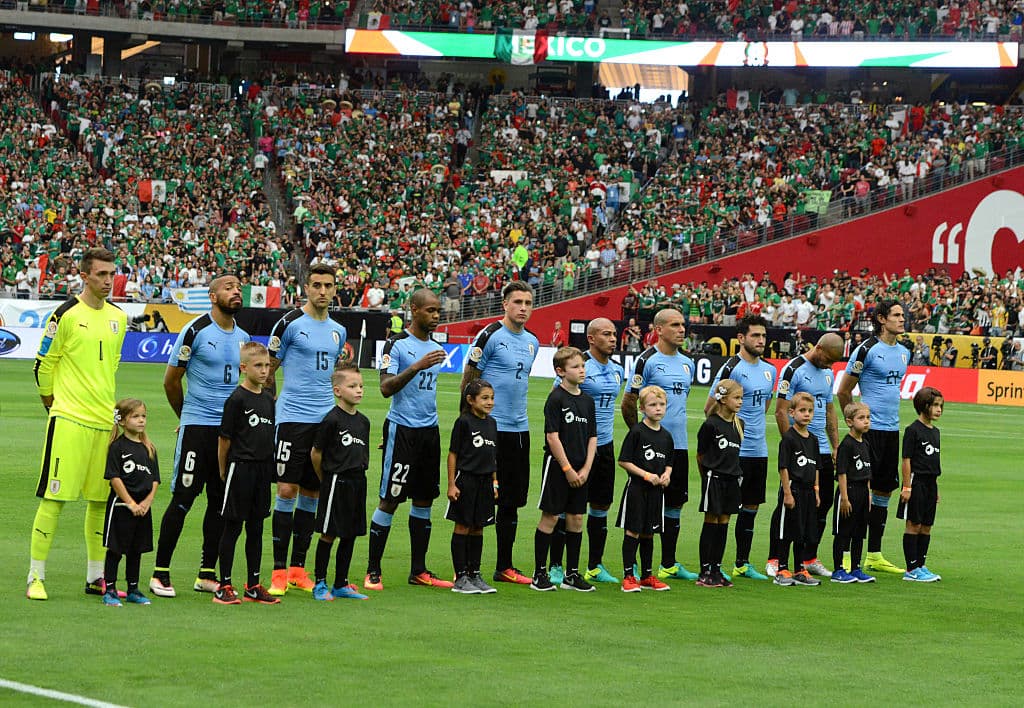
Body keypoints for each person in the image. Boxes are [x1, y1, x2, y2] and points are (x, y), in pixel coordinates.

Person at [27, 247, 127, 602]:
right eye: (101, 274)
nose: (108, 280)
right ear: (84, 276)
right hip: (69, 420)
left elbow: (111, 367)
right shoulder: (65, 314)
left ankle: (95, 577)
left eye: (112, 274)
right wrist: (53, 406)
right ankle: (35, 577)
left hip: (103, 423)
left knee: (99, 502)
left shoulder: (119, 318)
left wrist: (112, 418)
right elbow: (43, 365)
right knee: (54, 498)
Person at [150, 275, 250, 598]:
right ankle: (160, 573)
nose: (235, 291)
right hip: (198, 429)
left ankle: (207, 573)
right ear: (213, 296)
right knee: (183, 499)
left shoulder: (244, 337)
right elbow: (171, 381)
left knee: (220, 503)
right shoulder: (195, 330)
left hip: (228, 434)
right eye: (228, 288)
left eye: (238, 288)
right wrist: (186, 417)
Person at [266, 263, 349, 596]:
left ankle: (298, 570)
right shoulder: (289, 324)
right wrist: (267, 411)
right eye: (316, 285)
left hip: (324, 421)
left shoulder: (339, 331)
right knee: (286, 489)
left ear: (335, 289)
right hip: (291, 419)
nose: (322, 291)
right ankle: (278, 571)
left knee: (312, 493)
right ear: (306, 288)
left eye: (328, 285)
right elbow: (267, 371)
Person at [365, 289, 452, 590]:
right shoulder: (397, 344)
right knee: (390, 499)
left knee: (424, 499)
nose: (436, 316)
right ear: (414, 310)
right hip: (402, 429)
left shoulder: (436, 347)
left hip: (429, 431)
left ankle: (419, 570)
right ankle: (373, 570)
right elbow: (385, 388)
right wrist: (416, 366)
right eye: (430, 310)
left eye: (438, 311)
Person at [461, 281, 539, 585]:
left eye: (528, 303)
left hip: (519, 430)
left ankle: (504, 566)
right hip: (489, 430)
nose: (523, 308)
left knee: (511, 501)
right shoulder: (490, 335)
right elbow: (470, 379)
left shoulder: (532, 341)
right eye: (517, 302)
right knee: (479, 499)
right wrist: (468, 423)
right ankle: (467, 568)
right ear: (505, 304)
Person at [621, 307, 698, 581]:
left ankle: (669, 563)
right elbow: (629, 402)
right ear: (659, 330)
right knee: (644, 506)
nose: (681, 329)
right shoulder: (646, 361)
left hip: (679, 446)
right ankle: (636, 567)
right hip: (651, 449)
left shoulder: (688, 363)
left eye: (682, 324)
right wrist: (641, 437)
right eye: (675, 325)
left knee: (675, 504)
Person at [547, 318, 624, 585]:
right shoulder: (580, 365)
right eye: (606, 334)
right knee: (565, 508)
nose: (612, 338)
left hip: (604, 445)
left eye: (614, 334)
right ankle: (556, 566)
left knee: (601, 504)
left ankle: (594, 566)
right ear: (591, 338)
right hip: (575, 447)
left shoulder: (617, 370)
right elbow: (557, 400)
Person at [836, 299, 908, 575]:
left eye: (902, 315)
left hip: (891, 431)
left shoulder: (904, 352)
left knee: (884, 491)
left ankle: (874, 554)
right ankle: (845, 555)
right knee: (857, 491)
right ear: (881, 319)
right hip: (869, 432)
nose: (902, 319)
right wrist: (855, 425)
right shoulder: (866, 350)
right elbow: (844, 391)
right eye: (896, 315)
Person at [706, 315, 776, 582]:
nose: (761, 340)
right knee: (723, 511)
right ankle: (713, 565)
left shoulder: (770, 370)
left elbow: (764, 407)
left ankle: (742, 563)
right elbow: (710, 409)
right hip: (734, 452)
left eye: (763, 336)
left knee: (751, 507)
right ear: (741, 338)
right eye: (755, 335)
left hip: (759, 449)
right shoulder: (731, 368)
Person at [768, 332, 844, 578]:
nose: (829, 365)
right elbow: (781, 411)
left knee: (821, 505)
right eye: (828, 359)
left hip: (820, 449)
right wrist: (791, 445)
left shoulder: (828, 373)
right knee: (788, 505)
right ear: (818, 348)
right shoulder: (793, 370)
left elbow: (830, 409)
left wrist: (835, 445)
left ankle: (809, 557)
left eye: (833, 362)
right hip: (799, 448)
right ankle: (776, 558)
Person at [213, 342, 279, 605]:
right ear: (243, 368)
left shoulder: (268, 399)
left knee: (256, 527)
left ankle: (253, 584)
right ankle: (224, 585)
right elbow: (224, 439)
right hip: (240, 468)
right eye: (258, 365)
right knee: (233, 526)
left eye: (267, 365)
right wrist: (223, 469)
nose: (264, 371)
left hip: (262, 470)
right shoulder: (236, 399)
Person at [531, 347, 597, 592]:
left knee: (576, 519)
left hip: (582, 468)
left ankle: (572, 574)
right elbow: (552, 436)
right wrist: (567, 468)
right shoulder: (556, 398)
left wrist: (586, 468)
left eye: (583, 366)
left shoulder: (587, 401)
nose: (581, 370)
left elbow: (592, 437)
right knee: (550, 517)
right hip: (559, 467)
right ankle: (540, 574)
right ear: (560, 371)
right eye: (575, 367)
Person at [309, 363, 371, 601]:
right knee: (329, 533)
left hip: (358, 482)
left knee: (350, 533)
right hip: (335, 481)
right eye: (352, 386)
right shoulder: (332, 420)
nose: (359, 390)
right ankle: (320, 583)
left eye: (361, 386)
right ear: (337, 391)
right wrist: (325, 478)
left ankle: (341, 583)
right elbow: (316, 453)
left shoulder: (364, 422)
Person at [101, 398, 160, 607]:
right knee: (116, 549)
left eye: (143, 416)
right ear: (122, 421)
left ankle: (133, 588)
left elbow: (155, 480)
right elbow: (114, 478)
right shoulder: (117, 447)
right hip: (121, 507)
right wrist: (131, 503)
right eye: (135, 416)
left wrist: (146, 502)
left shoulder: (149, 448)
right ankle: (110, 589)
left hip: (143, 509)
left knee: (136, 550)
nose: (141, 420)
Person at [617, 385, 673, 593]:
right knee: (633, 530)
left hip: (656, 492)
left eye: (661, 404)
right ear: (642, 408)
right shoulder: (637, 432)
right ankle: (628, 576)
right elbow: (624, 461)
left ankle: (647, 575)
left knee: (650, 532)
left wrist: (667, 475)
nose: (658, 408)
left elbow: (669, 462)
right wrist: (646, 475)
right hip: (637, 489)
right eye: (652, 405)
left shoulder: (666, 436)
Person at [447, 379, 499, 595]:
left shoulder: (492, 423)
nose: (490, 402)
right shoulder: (464, 422)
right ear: (470, 400)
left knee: (479, 526)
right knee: (463, 526)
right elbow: (453, 454)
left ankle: (474, 573)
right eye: (484, 398)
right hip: (466, 480)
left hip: (485, 482)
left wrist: (495, 482)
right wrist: (452, 484)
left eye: (492, 398)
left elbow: (493, 456)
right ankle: (460, 577)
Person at [695, 381, 744, 588]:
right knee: (711, 520)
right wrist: (707, 477)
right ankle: (705, 571)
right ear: (723, 400)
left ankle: (716, 569)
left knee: (724, 522)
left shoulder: (739, 424)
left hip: (732, 479)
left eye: (741, 398)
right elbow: (700, 455)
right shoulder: (711, 425)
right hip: (714, 478)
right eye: (736, 398)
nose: (740, 402)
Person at [769, 393, 821, 587]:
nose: (806, 414)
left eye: (810, 411)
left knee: (803, 531)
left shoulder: (813, 439)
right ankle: (782, 569)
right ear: (792, 413)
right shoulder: (789, 438)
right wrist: (787, 493)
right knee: (787, 530)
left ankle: (800, 569)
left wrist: (816, 490)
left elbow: (816, 467)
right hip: (793, 489)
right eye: (802, 410)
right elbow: (783, 467)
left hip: (808, 490)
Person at [898, 387, 944, 583]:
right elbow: (906, 460)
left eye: (941, 406)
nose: (939, 409)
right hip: (916, 483)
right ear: (923, 406)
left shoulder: (936, 432)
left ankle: (921, 565)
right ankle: (911, 569)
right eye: (935, 405)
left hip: (930, 484)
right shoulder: (913, 430)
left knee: (926, 526)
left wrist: (936, 488)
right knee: (914, 524)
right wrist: (907, 487)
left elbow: (933, 463)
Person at [829, 402, 876, 584]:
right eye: (861, 418)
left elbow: (868, 471)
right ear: (849, 422)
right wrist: (844, 498)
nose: (866, 421)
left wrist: (869, 494)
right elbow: (842, 473)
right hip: (848, 492)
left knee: (859, 532)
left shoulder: (866, 444)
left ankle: (856, 568)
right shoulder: (846, 445)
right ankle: (838, 569)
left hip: (863, 492)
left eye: (868, 418)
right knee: (843, 532)